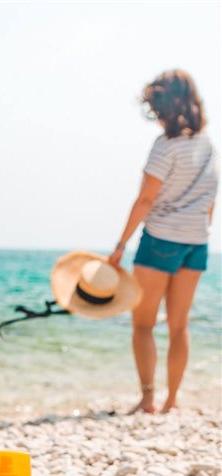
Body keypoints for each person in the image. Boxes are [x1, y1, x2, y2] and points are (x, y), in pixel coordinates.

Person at [108, 70, 218, 414]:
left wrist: (120, 245)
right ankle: (172, 401)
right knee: (179, 325)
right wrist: (198, 230)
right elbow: (211, 200)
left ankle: (147, 399)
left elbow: (145, 200)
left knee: (143, 323)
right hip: (197, 243)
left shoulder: (166, 146)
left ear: (165, 107)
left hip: (160, 241)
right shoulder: (207, 144)